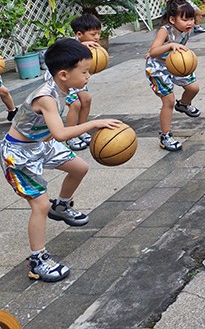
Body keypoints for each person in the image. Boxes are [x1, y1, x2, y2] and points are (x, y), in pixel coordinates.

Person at [0, 38, 120, 283]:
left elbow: (60, 52)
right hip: (19, 154)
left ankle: (62, 206)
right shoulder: (46, 97)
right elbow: (61, 134)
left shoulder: (60, 82)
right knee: (40, 205)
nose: (88, 76)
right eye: (84, 72)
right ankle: (37, 260)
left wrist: (83, 46)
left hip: (41, 143)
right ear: (64, 74)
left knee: (80, 168)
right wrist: (94, 123)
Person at [145, 0, 202, 152]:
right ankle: (165, 136)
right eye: (185, 19)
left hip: (175, 64)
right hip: (158, 68)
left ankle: (183, 105)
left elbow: (199, 14)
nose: (189, 23)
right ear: (172, 20)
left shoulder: (186, 30)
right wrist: (169, 45)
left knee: (194, 88)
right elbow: (153, 51)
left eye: (191, 19)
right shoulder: (165, 31)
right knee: (168, 101)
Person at [63, 14, 104, 151]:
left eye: (98, 33)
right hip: (62, 82)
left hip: (75, 79)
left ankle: (81, 129)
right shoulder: (69, 44)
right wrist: (80, 45)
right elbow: (63, 49)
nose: (97, 37)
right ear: (79, 34)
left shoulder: (91, 47)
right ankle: (70, 136)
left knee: (86, 99)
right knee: (75, 104)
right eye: (93, 34)